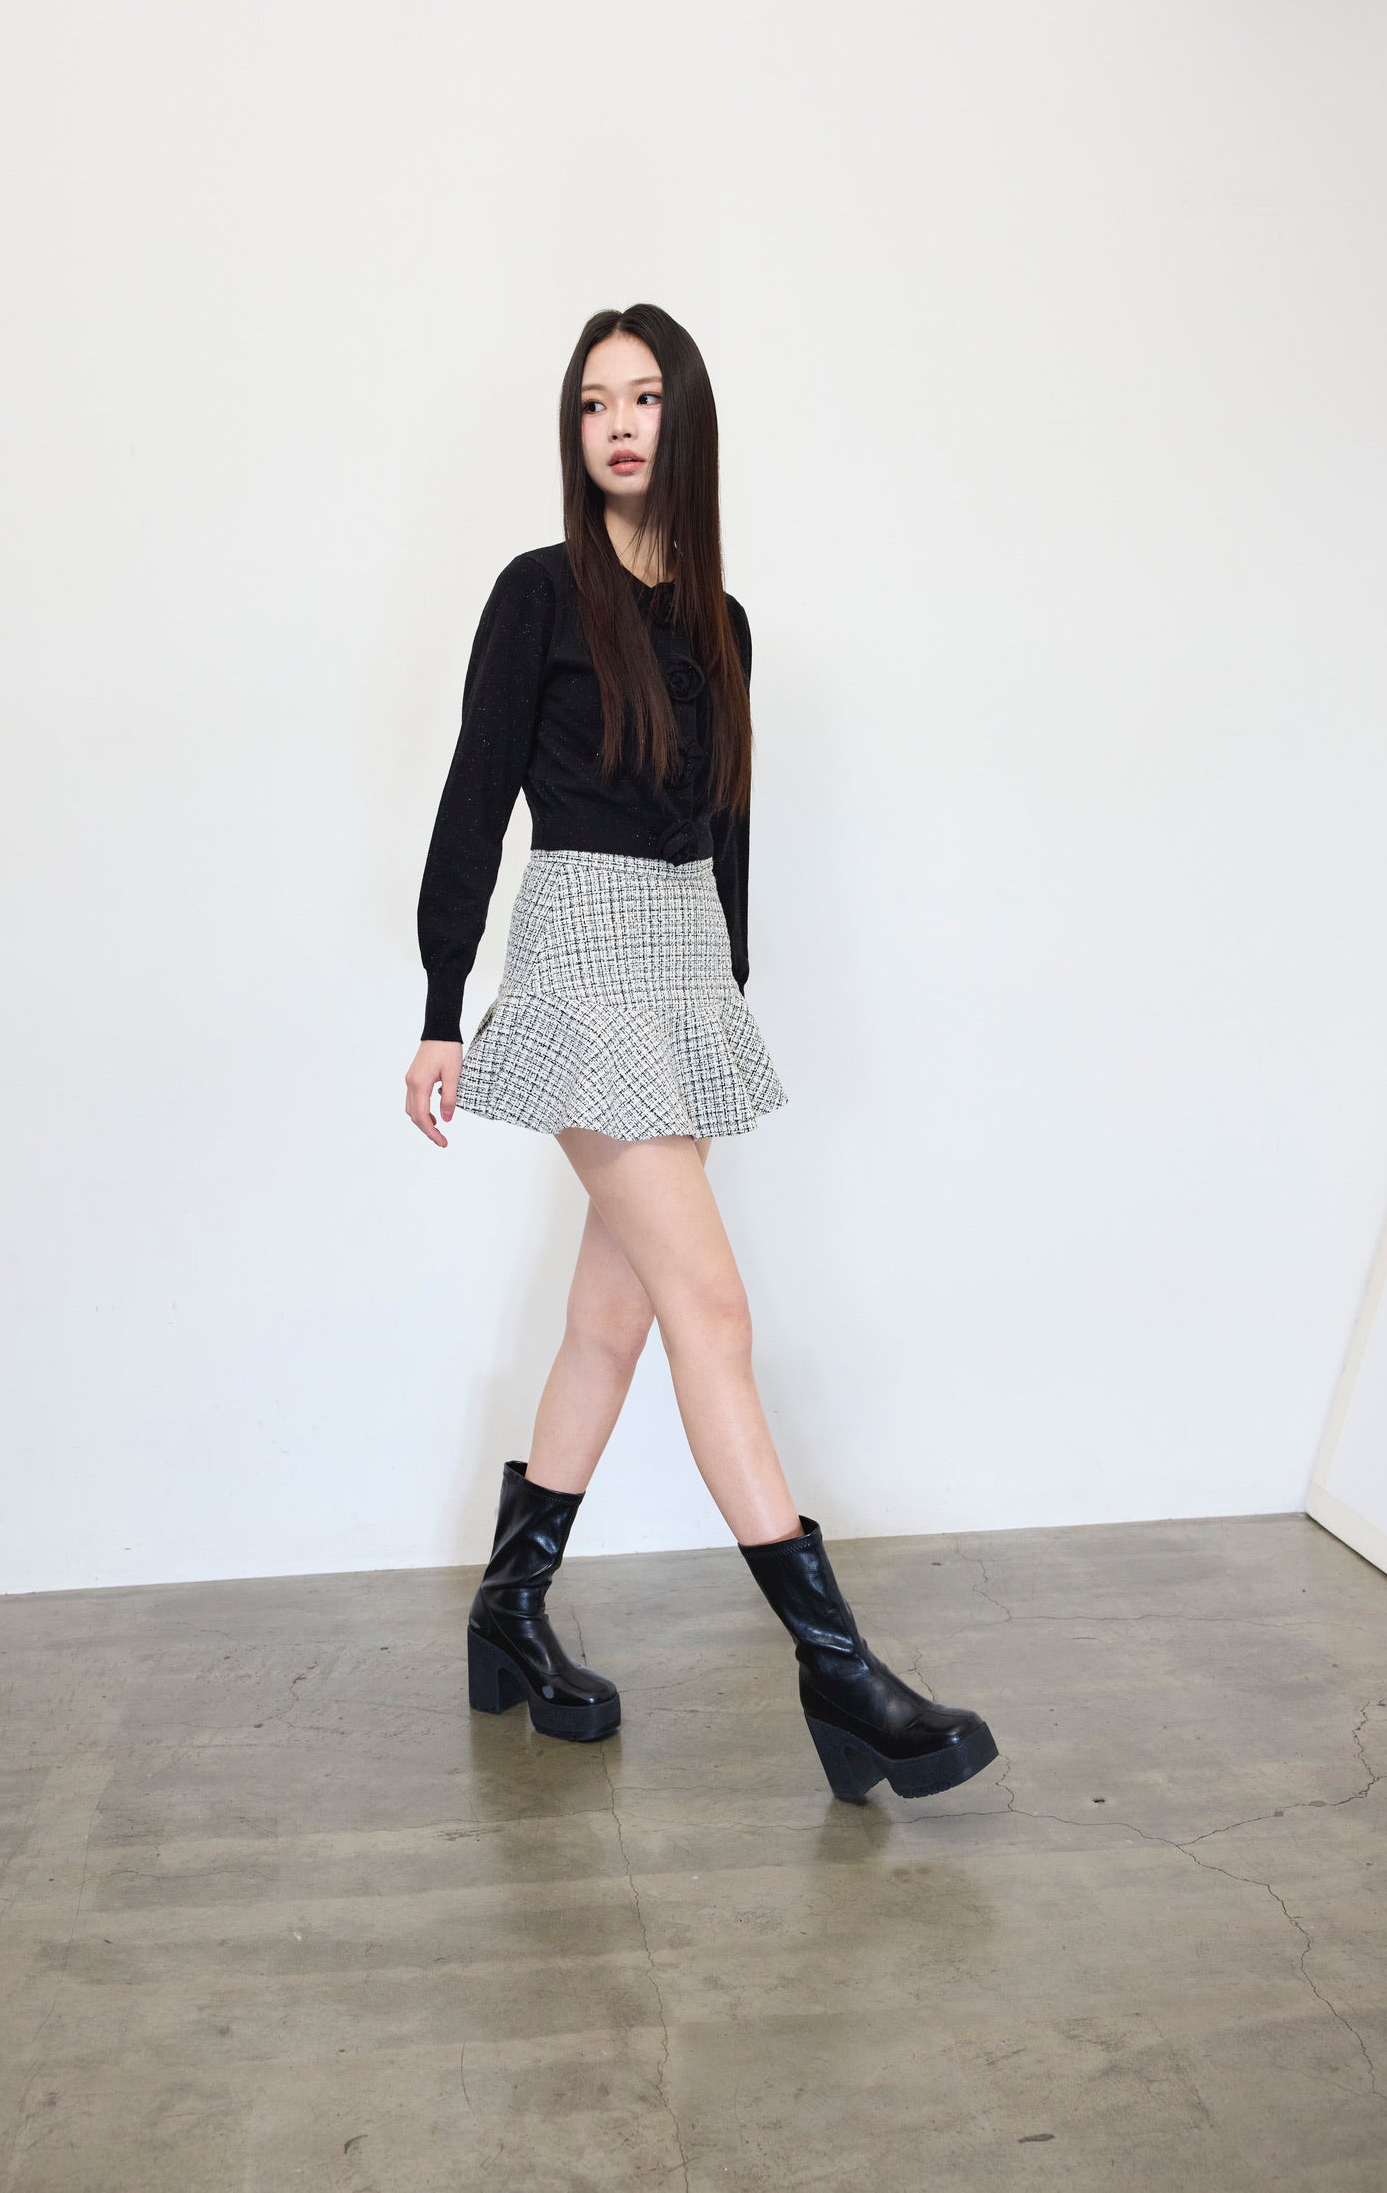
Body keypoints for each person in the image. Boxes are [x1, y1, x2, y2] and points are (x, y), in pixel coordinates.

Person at [405, 303, 997, 1804]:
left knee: (609, 1322)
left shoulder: (723, 623)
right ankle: (839, 1672)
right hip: (583, 947)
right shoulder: (538, 592)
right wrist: (440, 1000)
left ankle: (507, 1613)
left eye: (645, 396)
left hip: (680, 971)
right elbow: (475, 792)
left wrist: (721, 994)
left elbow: (730, 828)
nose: (618, 423)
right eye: (594, 401)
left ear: (686, 419)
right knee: (711, 1309)